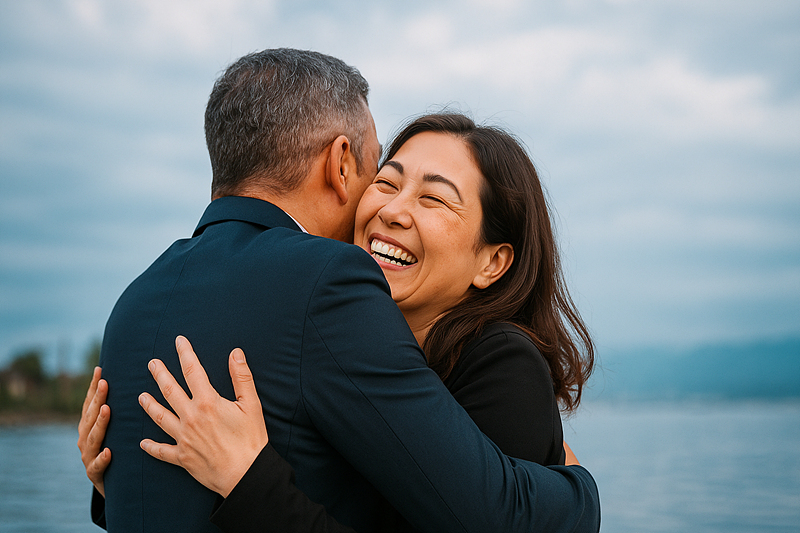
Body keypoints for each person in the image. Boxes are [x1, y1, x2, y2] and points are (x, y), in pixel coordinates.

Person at [80, 48, 600, 533]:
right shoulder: (328, 291)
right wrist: (578, 495)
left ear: (494, 261)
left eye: (435, 199)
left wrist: (138, 485)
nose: (392, 209)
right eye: (385, 178)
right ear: (341, 164)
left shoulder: (135, 300)